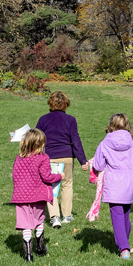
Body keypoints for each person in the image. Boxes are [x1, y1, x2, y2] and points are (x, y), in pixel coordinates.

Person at [92, 113, 133, 259]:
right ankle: (123, 241)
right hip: (129, 182)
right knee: (125, 213)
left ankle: (124, 248)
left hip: (114, 182)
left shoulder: (105, 143)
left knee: (117, 215)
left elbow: (98, 164)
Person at [36, 91, 89, 229]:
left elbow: (36, 139)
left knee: (51, 187)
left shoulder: (43, 120)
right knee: (67, 185)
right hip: (66, 157)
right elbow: (76, 141)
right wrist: (83, 161)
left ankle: (54, 217)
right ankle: (66, 215)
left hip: (50, 157)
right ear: (66, 104)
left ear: (50, 103)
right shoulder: (70, 120)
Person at [11, 128, 62, 262]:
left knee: (26, 224)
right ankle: (40, 248)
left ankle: (28, 255)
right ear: (40, 144)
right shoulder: (43, 158)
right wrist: (59, 176)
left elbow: (15, 176)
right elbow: (47, 177)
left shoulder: (19, 158)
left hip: (21, 197)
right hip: (38, 196)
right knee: (39, 220)